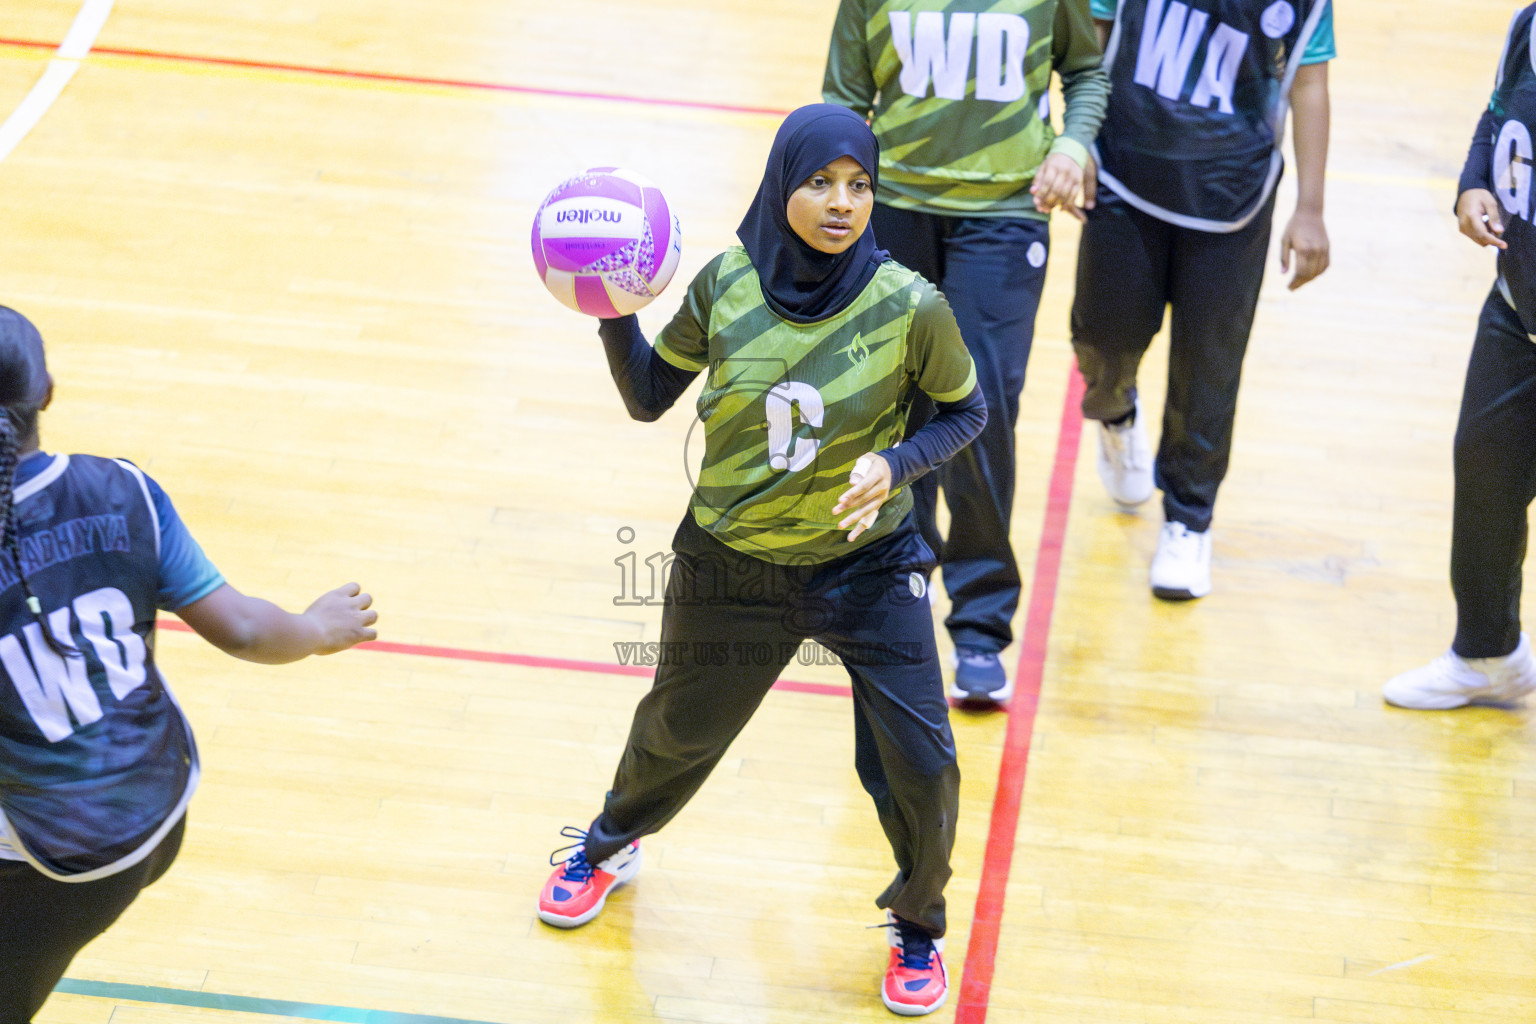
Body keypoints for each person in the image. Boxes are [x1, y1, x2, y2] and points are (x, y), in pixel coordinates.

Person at [536, 104, 986, 1017]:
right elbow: (649, 398)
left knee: (922, 761)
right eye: (820, 182)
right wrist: (612, 310)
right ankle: (611, 842)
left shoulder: (910, 304)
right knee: (678, 727)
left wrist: (895, 463)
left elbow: (964, 411)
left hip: (869, 565)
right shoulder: (724, 284)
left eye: (859, 185)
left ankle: (918, 924)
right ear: (783, 183)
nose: (841, 203)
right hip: (732, 562)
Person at [0, 306, 379, 1024]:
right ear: (47, 391)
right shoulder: (124, 490)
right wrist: (313, 627)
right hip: (159, 811)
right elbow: (240, 629)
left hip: (47, 865)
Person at [823, 0, 1109, 705]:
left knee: (983, 406)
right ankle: (903, 579)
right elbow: (841, 103)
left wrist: (1072, 146)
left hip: (1006, 216)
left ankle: (981, 622)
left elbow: (1085, 72)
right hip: (894, 210)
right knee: (896, 404)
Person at [1070, 0, 1334, 600]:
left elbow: (1309, 82)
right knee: (1102, 338)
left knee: (1209, 365)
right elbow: (1091, 44)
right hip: (1123, 170)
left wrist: (1311, 208)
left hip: (1232, 189)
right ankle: (1115, 412)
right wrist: (1076, 138)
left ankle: (1189, 519)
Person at [1382, 4, 1536, 710]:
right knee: (1485, 477)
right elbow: (1497, 116)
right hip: (1516, 309)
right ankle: (1488, 654)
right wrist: (1473, 183)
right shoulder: (1526, 24)